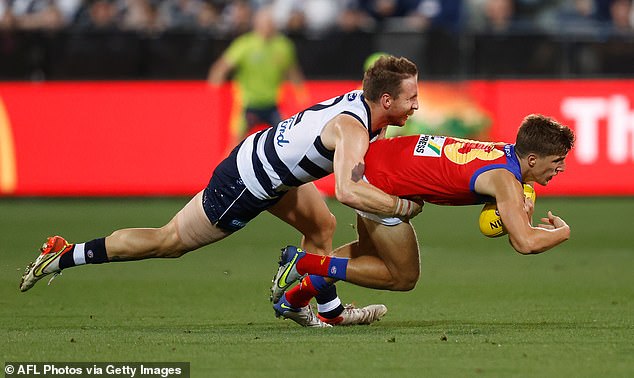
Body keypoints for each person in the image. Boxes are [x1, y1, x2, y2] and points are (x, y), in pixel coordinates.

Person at [19, 55, 423, 328]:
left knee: (322, 227)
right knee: (169, 241)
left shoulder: (373, 111)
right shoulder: (352, 128)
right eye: (412, 97)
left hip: (270, 166)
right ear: (386, 99)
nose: (417, 105)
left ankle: (324, 312)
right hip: (246, 183)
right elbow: (348, 190)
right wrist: (400, 206)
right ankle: (65, 254)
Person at [271, 114, 574, 325]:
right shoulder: (506, 181)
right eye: (557, 161)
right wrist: (563, 232)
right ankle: (304, 263)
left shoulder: (503, 155)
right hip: (381, 185)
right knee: (402, 277)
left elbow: (513, 226)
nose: (560, 169)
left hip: (379, 160)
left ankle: (295, 298)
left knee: (368, 256)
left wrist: (522, 214)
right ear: (532, 160)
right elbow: (524, 242)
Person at [208, 5, 308, 145]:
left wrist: (301, 93)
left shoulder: (283, 45)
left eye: (270, 23)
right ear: (256, 24)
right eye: (264, 23)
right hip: (248, 104)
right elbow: (222, 66)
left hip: (273, 104)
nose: (267, 27)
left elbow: (292, 70)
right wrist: (214, 86)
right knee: (235, 145)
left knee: (287, 141)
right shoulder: (245, 45)